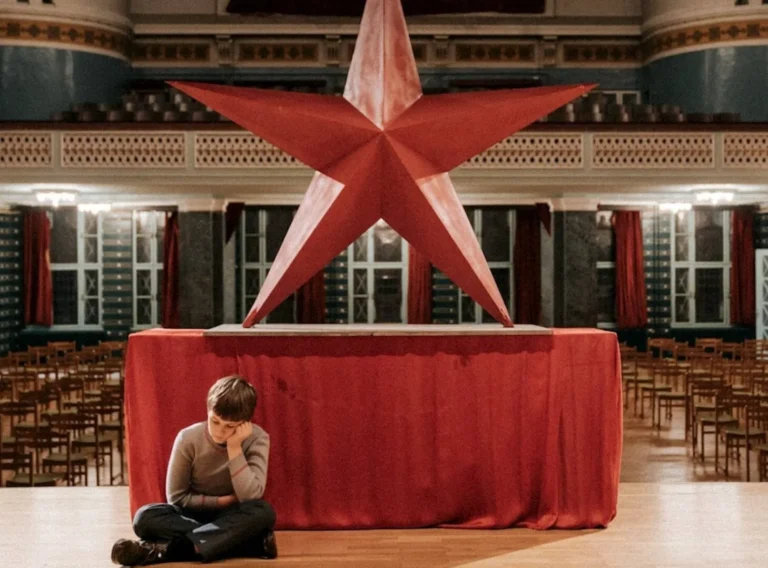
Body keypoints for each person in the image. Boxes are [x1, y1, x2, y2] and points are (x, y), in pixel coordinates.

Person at [111, 375, 277, 565]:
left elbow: (250, 496)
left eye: (230, 426)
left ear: (245, 423)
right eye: (215, 421)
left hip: (233, 516)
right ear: (208, 410)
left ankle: (163, 551)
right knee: (144, 518)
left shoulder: (258, 438)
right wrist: (223, 501)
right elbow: (177, 497)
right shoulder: (188, 438)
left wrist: (234, 447)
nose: (219, 431)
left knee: (264, 512)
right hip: (192, 514)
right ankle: (245, 543)